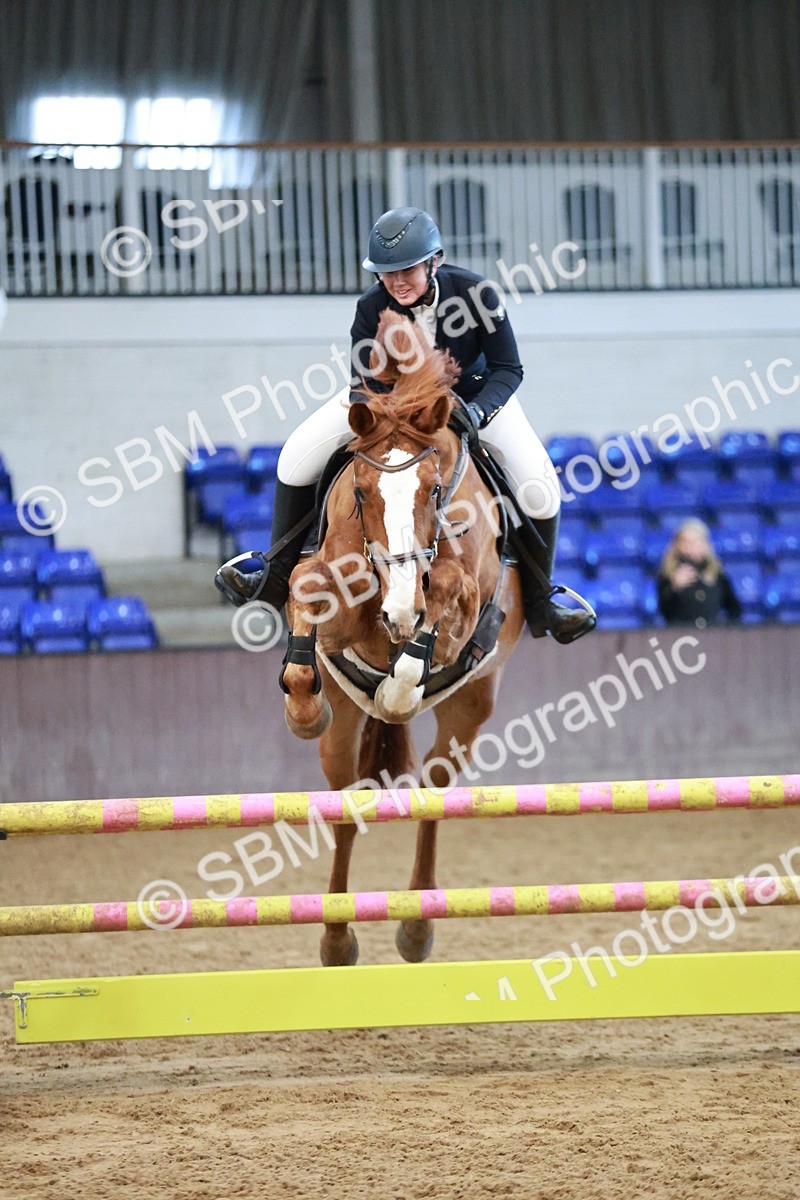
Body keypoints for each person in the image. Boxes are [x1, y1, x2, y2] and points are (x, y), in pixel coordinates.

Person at [216, 207, 595, 644]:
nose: (396, 282)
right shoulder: (370, 307)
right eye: (386, 273)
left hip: (473, 400)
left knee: (538, 486)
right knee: (295, 456)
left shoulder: (477, 293)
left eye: (407, 270)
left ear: (434, 261)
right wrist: (384, 416)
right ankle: (275, 572)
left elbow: (508, 369)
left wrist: (475, 414)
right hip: (389, 404)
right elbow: (366, 380)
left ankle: (542, 599)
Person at [657, 519, 742, 628]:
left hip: (712, 635)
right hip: (681, 638)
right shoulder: (668, 573)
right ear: (677, 545)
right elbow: (664, 613)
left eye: (696, 542)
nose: (691, 547)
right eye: (685, 542)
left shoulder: (717, 572)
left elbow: (734, 609)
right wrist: (674, 588)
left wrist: (724, 630)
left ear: (705, 544)